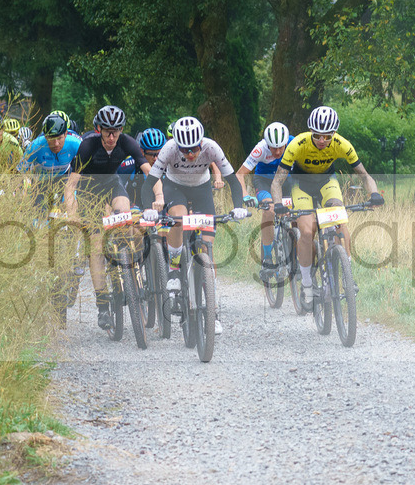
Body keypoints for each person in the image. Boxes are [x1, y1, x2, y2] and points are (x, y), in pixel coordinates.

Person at [140, 116, 250, 335]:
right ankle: (173, 271)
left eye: (194, 149)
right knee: (179, 221)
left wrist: (238, 206)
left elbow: (233, 182)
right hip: (175, 187)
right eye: (185, 150)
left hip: (202, 190)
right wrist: (147, 209)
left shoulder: (212, 148)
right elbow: (149, 184)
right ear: (177, 146)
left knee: (207, 246)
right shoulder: (169, 149)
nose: (190, 155)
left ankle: (213, 312)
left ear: (202, 142)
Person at [269, 106, 383, 306]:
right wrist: (278, 204)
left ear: (334, 134)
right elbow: (277, 182)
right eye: (318, 136)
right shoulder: (297, 144)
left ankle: (347, 275)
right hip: (301, 185)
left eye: (327, 136)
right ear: (311, 132)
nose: (322, 141)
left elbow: (364, 175)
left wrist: (373, 193)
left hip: (326, 182)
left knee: (340, 218)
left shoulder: (342, 144)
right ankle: (306, 285)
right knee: (306, 232)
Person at [64, 105, 151, 330]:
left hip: (112, 185)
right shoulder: (87, 145)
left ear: (121, 130)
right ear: (98, 129)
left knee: (124, 216)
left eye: (116, 131)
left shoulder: (127, 142)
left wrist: (162, 193)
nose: (112, 137)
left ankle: (132, 271)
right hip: (88, 191)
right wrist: (72, 214)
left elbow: (150, 171)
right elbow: (71, 185)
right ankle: (102, 305)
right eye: (107, 132)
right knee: (95, 245)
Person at [235, 122, 292, 278]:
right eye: (273, 148)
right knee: (269, 210)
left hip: (285, 180)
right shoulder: (260, 149)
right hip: (264, 181)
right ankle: (267, 257)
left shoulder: (294, 143)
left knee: (297, 212)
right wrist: (245, 195)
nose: (278, 151)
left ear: (287, 141)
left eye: (281, 147)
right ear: (267, 144)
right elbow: (240, 174)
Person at [18, 112, 82, 206]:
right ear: (45, 136)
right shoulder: (35, 146)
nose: (56, 144)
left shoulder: (75, 142)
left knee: (69, 203)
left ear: (65, 134)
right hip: (40, 180)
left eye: (59, 138)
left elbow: (91, 161)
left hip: (63, 176)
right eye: (51, 138)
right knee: (40, 213)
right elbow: (20, 171)